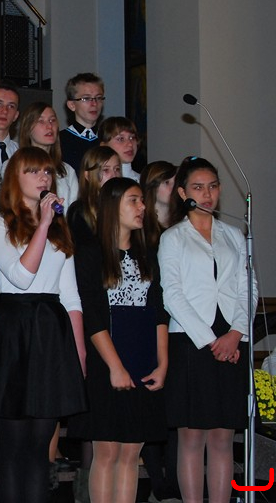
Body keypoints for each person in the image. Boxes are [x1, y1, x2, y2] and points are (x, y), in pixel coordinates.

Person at [0, 147, 87, 503]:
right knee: (15, 443)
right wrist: (44, 224)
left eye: (47, 172)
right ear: (14, 179)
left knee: (40, 444)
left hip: (51, 331)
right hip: (15, 329)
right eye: (33, 172)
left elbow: (71, 295)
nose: (43, 178)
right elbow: (21, 276)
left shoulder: (60, 227)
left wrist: (79, 353)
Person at [158, 156, 255, 503]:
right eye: (198, 187)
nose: (207, 194)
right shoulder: (173, 237)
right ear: (183, 193)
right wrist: (212, 340)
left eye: (212, 186)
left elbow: (248, 287)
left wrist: (236, 333)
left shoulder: (234, 234)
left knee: (222, 437)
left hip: (232, 338)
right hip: (192, 339)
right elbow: (172, 294)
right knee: (192, 437)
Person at [68, 177, 168, 503]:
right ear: (113, 206)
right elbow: (93, 315)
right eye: (133, 200)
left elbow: (159, 311)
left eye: (142, 201)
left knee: (131, 452)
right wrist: (115, 366)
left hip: (142, 355)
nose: (142, 207)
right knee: (108, 450)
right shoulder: (90, 253)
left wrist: (162, 363)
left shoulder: (147, 253)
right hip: (107, 357)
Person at [62, 145, 122, 498]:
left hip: (122, 312)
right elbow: (84, 265)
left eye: (117, 169)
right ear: (88, 176)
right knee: (94, 405)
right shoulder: (79, 213)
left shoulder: (124, 211)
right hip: (89, 308)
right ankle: (86, 486)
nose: (113, 175)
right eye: (105, 170)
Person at [138, 160, 181, 502]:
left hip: (179, 323)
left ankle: (174, 480)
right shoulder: (142, 229)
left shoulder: (184, 226)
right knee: (152, 405)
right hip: (150, 320)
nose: (175, 188)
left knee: (177, 407)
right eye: (168, 182)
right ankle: (158, 481)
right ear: (153, 188)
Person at [17, 102, 79, 210]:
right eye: (41, 121)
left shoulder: (67, 170)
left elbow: (72, 211)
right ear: (28, 128)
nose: (49, 126)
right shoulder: (14, 165)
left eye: (52, 120)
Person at [60, 73, 105, 170]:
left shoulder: (107, 139)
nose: (94, 104)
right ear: (72, 105)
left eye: (98, 98)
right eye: (86, 98)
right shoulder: (59, 142)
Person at [140, 160, 177, 249]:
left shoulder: (184, 220)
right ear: (152, 186)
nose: (174, 188)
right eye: (167, 182)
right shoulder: (140, 225)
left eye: (176, 182)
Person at [99, 117, 140, 182]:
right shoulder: (98, 181)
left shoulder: (144, 182)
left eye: (132, 137)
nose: (130, 144)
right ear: (104, 145)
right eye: (121, 139)